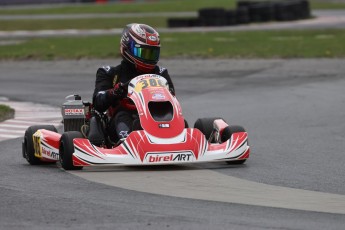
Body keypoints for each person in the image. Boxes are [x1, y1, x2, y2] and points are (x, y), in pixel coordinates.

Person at [91, 23, 175, 144]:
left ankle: (178, 138)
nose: (148, 58)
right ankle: (128, 142)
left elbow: (172, 99)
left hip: (155, 116)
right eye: (144, 53)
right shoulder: (110, 73)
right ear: (127, 49)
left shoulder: (161, 73)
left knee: (177, 119)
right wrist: (114, 92)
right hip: (122, 120)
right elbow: (98, 102)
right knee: (123, 116)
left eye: (152, 53)